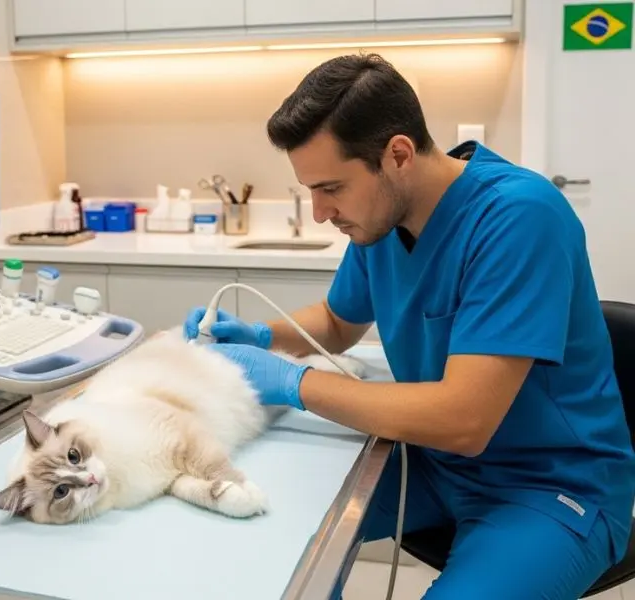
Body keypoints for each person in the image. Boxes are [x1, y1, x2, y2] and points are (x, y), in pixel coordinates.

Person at [183, 53, 635, 599]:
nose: (320, 211)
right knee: (251, 522)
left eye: (331, 187)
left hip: (550, 485)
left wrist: (292, 382)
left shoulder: (520, 217)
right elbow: (335, 320)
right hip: (435, 464)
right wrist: (260, 335)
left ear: (397, 154)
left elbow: (465, 420)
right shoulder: (381, 221)